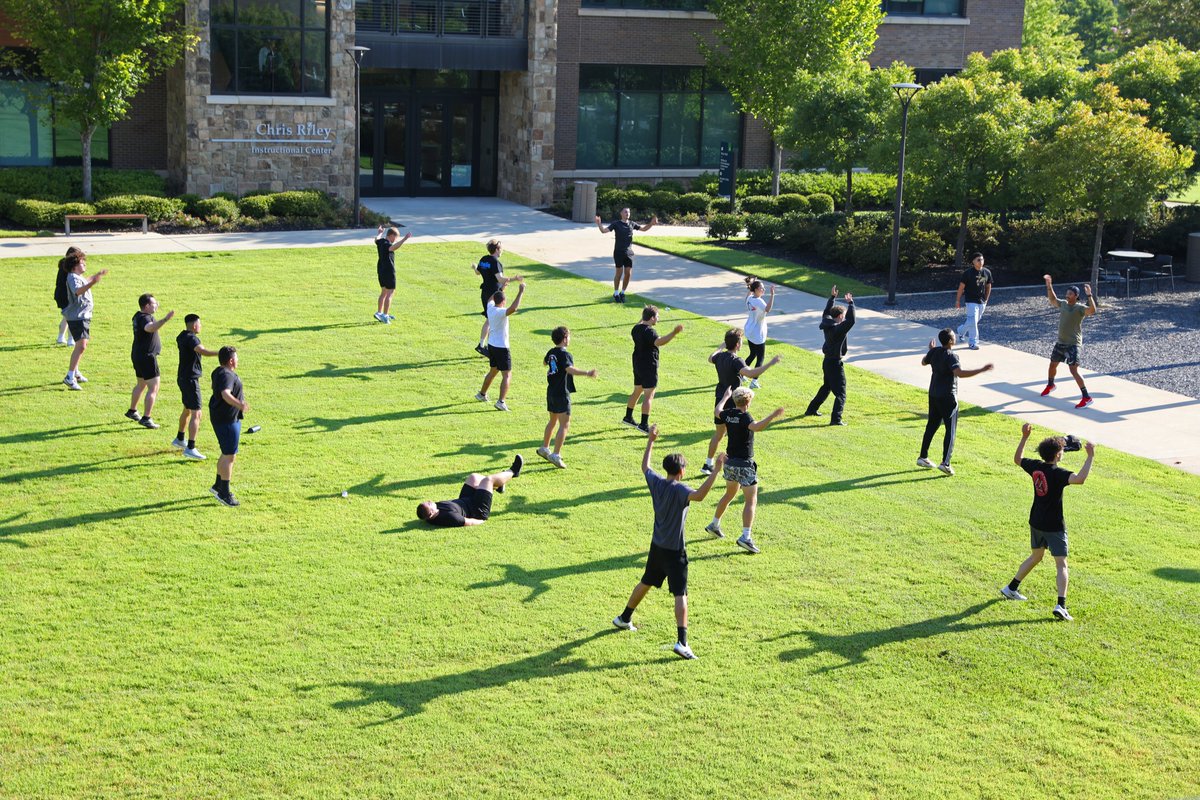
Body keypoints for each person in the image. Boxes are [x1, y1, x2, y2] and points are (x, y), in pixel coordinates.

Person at [612, 425, 725, 660]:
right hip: (675, 552)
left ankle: (624, 618)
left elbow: (645, 467)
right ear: (682, 471)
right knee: (680, 594)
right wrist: (716, 470)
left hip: (657, 546)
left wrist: (651, 440)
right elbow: (701, 496)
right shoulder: (681, 490)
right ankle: (682, 643)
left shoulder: (656, 483)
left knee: (646, 581)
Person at [1000, 423, 1095, 621]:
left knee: (1036, 557)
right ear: (1058, 455)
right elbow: (1080, 479)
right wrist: (1090, 457)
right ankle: (1061, 605)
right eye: (1062, 451)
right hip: (1054, 526)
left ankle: (1011, 588)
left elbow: (1017, 459)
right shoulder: (1058, 474)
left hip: (1036, 521)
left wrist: (1025, 437)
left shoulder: (1035, 466)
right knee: (1062, 564)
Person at [704, 387, 784, 555]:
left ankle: (714, 524)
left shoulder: (729, 413)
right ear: (748, 402)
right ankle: (745, 537)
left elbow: (717, 411)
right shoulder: (745, 416)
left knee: (728, 495)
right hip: (744, 465)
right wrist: (773, 416)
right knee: (750, 501)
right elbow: (757, 427)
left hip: (730, 463)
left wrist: (725, 397)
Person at [701, 327, 781, 475]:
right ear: (738, 344)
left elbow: (710, 357)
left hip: (720, 398)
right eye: (741, 341)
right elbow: (751, 373)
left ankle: (708, 463)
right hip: (735, 401)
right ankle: (735, 464)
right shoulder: (736, 360)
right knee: (738, 435)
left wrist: (721, 346)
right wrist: (770, 363)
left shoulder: (720, 357)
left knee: (719, 434)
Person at [917, 329, 994, 476]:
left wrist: (931, 351)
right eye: (953, 336)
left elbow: (923, 362)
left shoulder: (934, 352)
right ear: (951, 341)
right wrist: (981, 369)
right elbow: (959, 373)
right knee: (950, 430)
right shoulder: (952, 356)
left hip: (933, 394)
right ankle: (945, 463)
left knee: (931, 426)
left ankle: (923, 457)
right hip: (948, 397)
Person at [538, 326, 598, 469]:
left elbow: (545, 362)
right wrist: (587, 373)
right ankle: (556, 454)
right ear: (564, 339)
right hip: (561, 392)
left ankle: (544, 448)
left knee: (552, 421)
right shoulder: (565, 355)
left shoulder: (551, 352)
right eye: (569, 337)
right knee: (564, 424)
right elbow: (569, 369)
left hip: (551, 391)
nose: (569, 339)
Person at [623, 305, 683, 435]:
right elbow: (659, 342)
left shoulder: (636, 328)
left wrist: (645, 315)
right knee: (649, 395)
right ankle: (643, 424)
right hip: (649, 366)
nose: (658, 319)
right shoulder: (650, 332)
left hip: (637, 364)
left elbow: (641, 322)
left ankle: (628, 417)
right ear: (651, 318)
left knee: (637, 391)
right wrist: (674, 333)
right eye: (657, 317)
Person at [417, 455, 524, 527]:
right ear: (431, 513)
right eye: (429, 504)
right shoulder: (450, 517)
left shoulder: (432, 512)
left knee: (473, 477)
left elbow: (425, 514)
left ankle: (498, 485)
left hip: (465, 500)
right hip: (477, 509)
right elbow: (470, 522)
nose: (430, 501)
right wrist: (483, 520)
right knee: (488, 480)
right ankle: (513, 471)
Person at [1039, 276, 1097, 409]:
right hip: (1061, 342)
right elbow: (1052, 299)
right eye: (1067, 293)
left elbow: (1093, 310)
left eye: (1070, 294)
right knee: (1052, 365)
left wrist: (1089, 295)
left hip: (1073, 344)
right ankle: (1050, 385)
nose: (1067, 295)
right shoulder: (1064, 304)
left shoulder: (1080, 308)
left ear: (1076, 296)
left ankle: (1087, 397)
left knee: (1073, 370)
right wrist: (1049, 285)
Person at [803, 285, 855, 425]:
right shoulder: (839, 329)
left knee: (827, 387)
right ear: (839, 317)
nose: (844, 319)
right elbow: (851, 321)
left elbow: (826, 312)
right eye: (842, 316)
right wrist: (851, 304)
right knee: (841, 394)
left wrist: (832, 297)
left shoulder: (827, 323)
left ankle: (811, 410)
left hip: (827, 362)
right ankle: (836, 419)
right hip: (835, 364)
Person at [475, 277, 526, 412]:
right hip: (502, 348)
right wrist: (521, 291)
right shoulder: (500, 312)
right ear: (503, 302)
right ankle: (501, 401)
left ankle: (482, 394)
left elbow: (490, 299)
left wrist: (500, 289)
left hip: (491, 345)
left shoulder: (490, 308)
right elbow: (513, 308)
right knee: (507, 375)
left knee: (493, 371)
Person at [173, 314, 220, 460]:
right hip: (190, 380)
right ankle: (191, 448)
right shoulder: (192, 338)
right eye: (199, 324)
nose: (200, 326)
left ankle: (180, 438)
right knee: (196, 413)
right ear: (194, 325)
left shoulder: (181, 335)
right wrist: (221, 353)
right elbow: (203, 352)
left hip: (182, 377)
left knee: (187, 409)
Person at [126, 294, 176, 430]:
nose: (157, 305)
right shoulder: (144, 319)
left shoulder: (138, 315)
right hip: (147, 357)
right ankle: (146, 418)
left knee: (141, 384)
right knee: (153, 388)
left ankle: (132, 411)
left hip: (138, 355)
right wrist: (165, 319)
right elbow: (150, 328)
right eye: (154, 304)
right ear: (147, 306)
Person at [62, 251, 108, 391]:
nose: (84, 264)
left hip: (83, 316)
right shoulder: (72, 277)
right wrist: (93, 282)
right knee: (81, 346)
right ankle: (69, 377)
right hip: (77, 317)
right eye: (82, 263)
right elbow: (78, 291)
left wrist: (95, 276)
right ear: (74, 266)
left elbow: (84, 281)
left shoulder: (77, 276)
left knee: (82, 345)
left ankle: (75, 372)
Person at [209, 346, 249, 507]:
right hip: (227, 420)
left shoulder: (218, 371)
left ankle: (218, 485)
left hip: (221, 418)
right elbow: (226, 394)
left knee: (226, 453)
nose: (238, 360)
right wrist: (240, 404)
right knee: (229, 456)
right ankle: (224, 493)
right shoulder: (227, 375)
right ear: (231, 360)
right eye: (236, 358)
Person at [595, 207, 656, 303]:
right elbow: (603, 231)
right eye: (625, 212)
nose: (627, 213)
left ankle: (622, 293)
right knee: (619, 273)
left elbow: (644, 229)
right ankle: (616, 293)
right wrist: (599, 224)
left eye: (628, 212)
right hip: (618, 252)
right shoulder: (616, 224)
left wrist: (651, 224)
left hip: (629, 253)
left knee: (628, 273)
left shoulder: (632, 224)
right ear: (621, 213)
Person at [474, 239, 509, 356]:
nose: (502, 250)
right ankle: (483, 346)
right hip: (493, 295)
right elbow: (500, 279)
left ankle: (486, 346)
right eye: (501, 248)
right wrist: (513, 279)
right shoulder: (496, 263)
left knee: (490, 320)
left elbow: (478, 272)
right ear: (497, 249)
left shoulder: (484, 259)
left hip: (485, 293)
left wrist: (474, 267)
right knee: (491, 321)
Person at [954, 253, 993, 350]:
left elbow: (988, 286)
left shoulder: (987, 272)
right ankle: (973, 342)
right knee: (973, 322)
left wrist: (986, 300)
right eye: (978, 260)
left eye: (982, 259)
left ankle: (961, 330)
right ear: (973, 262)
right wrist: (957, 300)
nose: (981, 262)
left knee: (973, 321)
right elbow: (961, 287)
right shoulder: (968, 273)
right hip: (971, 301)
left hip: (982, 301)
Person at [373, 225, 411, 323]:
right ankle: (385, 315)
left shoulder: (380, 242)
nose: (395, 239)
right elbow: (394, 247)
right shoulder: (387, 244)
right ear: (391, 235)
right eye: (396, 237)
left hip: (381, 270)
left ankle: (379, 313)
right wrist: (404, 239)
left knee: (384, 292)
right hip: (389, 271)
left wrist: (379, 232)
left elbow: (376, 239)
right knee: (390, 293)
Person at [743, 278, 775, 388]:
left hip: (749, 330)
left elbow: (747, 296)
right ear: (756, 290)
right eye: (762, 288)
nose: (764, 290)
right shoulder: (759, 301)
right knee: (760, 358)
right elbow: (768, 309)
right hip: (758, 333)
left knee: (753, 353)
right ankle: (754, 381)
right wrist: (772, 295)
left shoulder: (750, 298)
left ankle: (743, 374)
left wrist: (751, 285)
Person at [54, 247, 82, 346]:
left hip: (60, 295)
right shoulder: (70, 268)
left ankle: (61, 337)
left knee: (67, 316)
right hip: (67, 295)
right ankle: (71, 339)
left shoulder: (63, 264)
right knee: (72, 317)